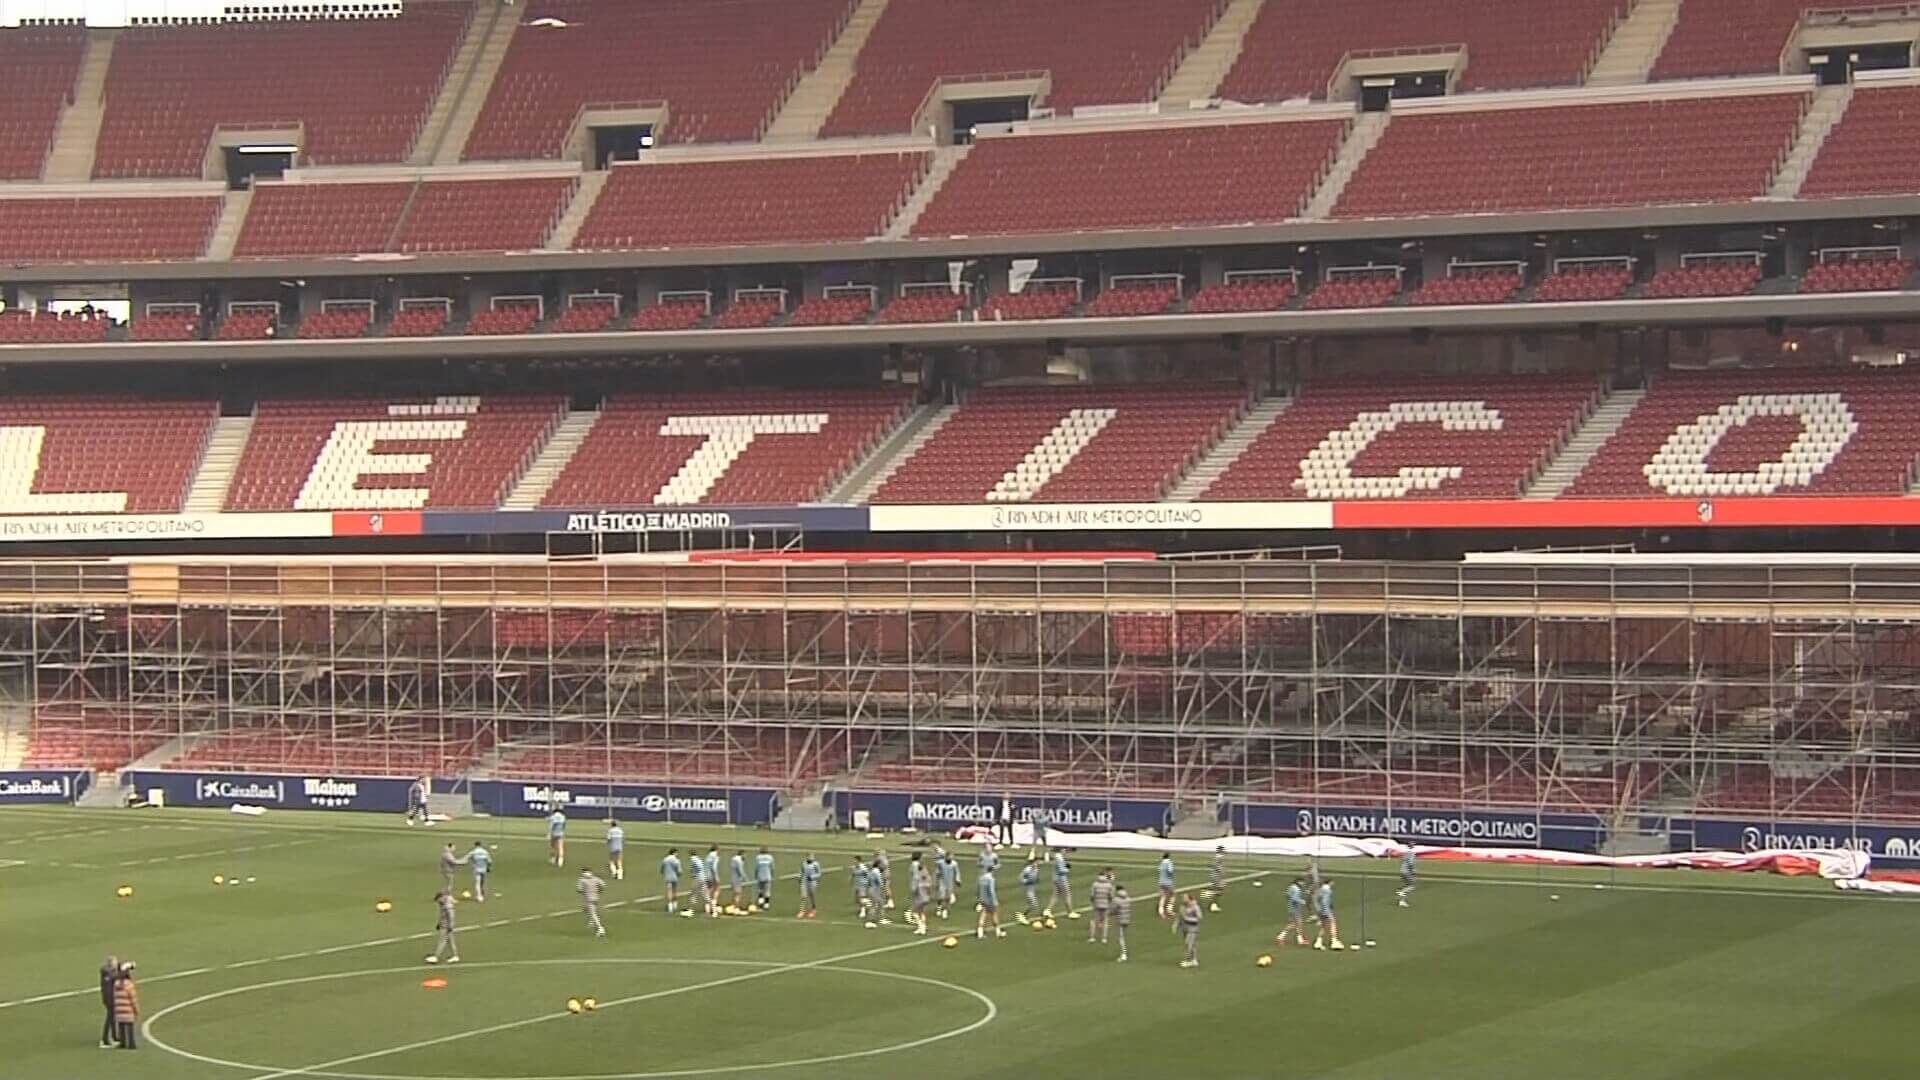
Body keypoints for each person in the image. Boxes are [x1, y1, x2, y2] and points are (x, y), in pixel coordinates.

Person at [976, 855, 1006, 940]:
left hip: (983, 899)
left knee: (983, 914)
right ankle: (998, 932)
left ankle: (980, 932)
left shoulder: (981, 878)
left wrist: (980, 900)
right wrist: (995, 901)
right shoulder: (991, 879)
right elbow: (991, 891)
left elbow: (979, 890)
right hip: (990, 900)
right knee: (994, 915)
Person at [426, 889, 459, 964]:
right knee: (450, 941)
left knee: (442, 941)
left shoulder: (447, 906)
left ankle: (436, 957)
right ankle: (455, 956)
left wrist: (450, 926)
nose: (438, 902)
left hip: (446, 926)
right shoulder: (444, 903)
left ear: (441, 897)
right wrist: (439, 923)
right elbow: (442, 915)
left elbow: (451, 916)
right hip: (444, 925)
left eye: (438, 900)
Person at [111, 962, 139, 1050]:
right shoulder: (129, 985)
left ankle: (122, 1043)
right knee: (130, 1027)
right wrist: (136, 1010)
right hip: (128, 1009)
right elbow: (133, 998)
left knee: (121, 1026)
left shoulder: (116, 984)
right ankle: (131, 1044)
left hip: (119, 1008)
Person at [1313, 878, 1344, 951]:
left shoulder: (1321, 890)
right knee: (1332, 923)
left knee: (1324, 927)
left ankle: (1318, 942)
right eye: (1332, 883)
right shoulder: (1327, 890)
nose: (1333, 884)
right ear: (1329, 883)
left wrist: (1319, 910)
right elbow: (1325, 901)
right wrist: (1327, 912)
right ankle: (1334, 941)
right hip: (1326, 911)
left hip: (1321, 911)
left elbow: (1317, 899)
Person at [577, 867, 607, 938]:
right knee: (585, 909)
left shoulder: (582, 880)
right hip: (596, 898)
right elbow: (603, 885)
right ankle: (592, 921)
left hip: (588, 899)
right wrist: (599, 891)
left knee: (593, 913)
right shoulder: (596, 879)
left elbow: (579, 889)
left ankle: (600, 928)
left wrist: (584, 891)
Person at [1088, 867, 1115, 944]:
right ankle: (1104, 938)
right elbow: (1111, 896)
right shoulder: (1109, 885)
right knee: (1105, 921)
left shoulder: (1095, 884)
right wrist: (1110, 903)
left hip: (1097, 904)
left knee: (1094, 921)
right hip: (1105, 904)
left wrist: (1093, 903)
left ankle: (1092, 937)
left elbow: (1092, 896)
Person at [1279, 876, 1308, 947]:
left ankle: (1300, 939)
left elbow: (1287, 894)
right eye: (1302, 882)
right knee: (1297, 924)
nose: (1303, 884)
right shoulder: (1297, 889)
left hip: (1291, 908)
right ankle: (1281, 937)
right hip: (1295, 909)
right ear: (1299, 882)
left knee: (1295, 924)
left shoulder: (1291, 887)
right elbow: (1295, 898)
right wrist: (1302, 901)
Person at [98, 955, 119, 1049]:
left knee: (113, 1017)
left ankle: (114, 1037)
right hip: (109, 998)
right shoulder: (107, 973)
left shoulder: (108, 971)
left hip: (111, 997)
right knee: (110, 1018)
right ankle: (105, 1039)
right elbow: (115, 976)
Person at [908, 853, 933, 935]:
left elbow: (915, 878)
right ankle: (923, 927)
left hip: (919, 890)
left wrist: (914, 888)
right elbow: (929, 880)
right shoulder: (924, 869)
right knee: (921, 910)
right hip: (925, 890)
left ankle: (921, 927)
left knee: (915, 911)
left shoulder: (914, 866)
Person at [1177, 892, 1203, 969]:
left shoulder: (1195, 907)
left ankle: (1188, 961)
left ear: (1189, 899)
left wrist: (1188, 919)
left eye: (1185, 898)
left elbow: (1199, 918)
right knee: (1192, 945)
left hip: (1192, 928)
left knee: (1188, 944)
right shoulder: (1182, 906)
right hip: (1185, 928)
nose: (1183, 899)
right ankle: (1194, 960)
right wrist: (1176, 925)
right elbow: (1180, 916)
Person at [1049, 846, 1075, 919]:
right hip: (1061, 879)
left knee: (1055, 895)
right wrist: (1067, 868)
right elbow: (1061, 870)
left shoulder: (1057, 857)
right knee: (1067, 895)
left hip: (1056, 878)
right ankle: (1070, 912)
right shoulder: (1059, 858)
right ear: (1061, 849)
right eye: (1064, 849)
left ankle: (1048, 911)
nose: (1065, 851)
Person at [688, 848, 713, 918]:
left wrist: (694, 873)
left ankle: (690, 911)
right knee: (705, 895)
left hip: (698, 878)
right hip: (703, 878)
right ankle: (713, 910)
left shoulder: (693, 859)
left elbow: (697, 868)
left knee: (694, 894)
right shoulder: (699, 859)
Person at [1017, 857, 1041, 925]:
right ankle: (1022, 915)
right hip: (1028, 888)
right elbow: (1020, 877)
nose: (1037, 864)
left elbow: (1036, 878)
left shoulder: (1036, 869)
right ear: (1033, 862)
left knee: (1032, 904)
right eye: (1036, 863)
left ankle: (1022, 915)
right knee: (1033, 904)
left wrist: (1037, 880)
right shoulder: (1027, 869)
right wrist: (1025, 881)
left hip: (1033, 888)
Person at [1113, 884, 1133, 962]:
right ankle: (1123, 953)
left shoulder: (1116, 900)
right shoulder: (1128, 898)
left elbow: (1113, 910)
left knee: (1121, 938)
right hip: (1127, 919)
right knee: (1123, 936)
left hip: (1120, 920)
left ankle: (1123, 954)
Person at [937, 850, 960, 919]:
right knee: (941, 897)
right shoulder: (941, 863)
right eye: (950, 857)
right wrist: (937, 875)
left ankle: (945, 911)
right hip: (942, 882)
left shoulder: (954, 864)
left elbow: (957, 872)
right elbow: (938, 870)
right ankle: (939, 907)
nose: (951, 858)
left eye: (952, 857)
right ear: (946, 857)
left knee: (948, 898)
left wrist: (957, 879)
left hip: (950, 883)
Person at [798, 853, 821, 919]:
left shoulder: (816, 864)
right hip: (804, 882)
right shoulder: (803, 864)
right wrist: (799, 878)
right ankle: (802, 911)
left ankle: (813, 910)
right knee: (803, 896)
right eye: (808, 857)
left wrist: (812, 877)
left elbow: (819, 874)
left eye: (811, 857)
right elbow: (801, 872)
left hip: (812, 883)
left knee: (812, 897)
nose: (810, 858)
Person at [661, 847, 683, 914]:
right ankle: (675, 905)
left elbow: (662, 869)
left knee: (669, 891)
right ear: (674, 853)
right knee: (675, 891)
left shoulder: (665, 859)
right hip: (674, 877)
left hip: (668, 877)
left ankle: (670, 907)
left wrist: (664, 873)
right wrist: (679, 874)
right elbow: (679, 871)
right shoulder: (676, 860)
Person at [1206, 844, 1227, 913]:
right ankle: (1213, 905)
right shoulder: (1219, 857)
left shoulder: (1217, 857)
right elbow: (1217, 866)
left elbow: (1214, 865)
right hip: (1217, 876)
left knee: (1219, 891)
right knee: (1219, 891)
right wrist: (1221, 872)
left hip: (1216, 876)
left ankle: (1213, 904)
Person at [1157, 853, 1177, 919]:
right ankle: (1169, 910)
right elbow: (1170, 871)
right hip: (1168, 883)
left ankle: (1161, 911)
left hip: (1161, 882)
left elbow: (1159, 870)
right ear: (1168, 857)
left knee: (1163, 897)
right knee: (1172, 896)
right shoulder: (1169, 863)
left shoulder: (1161, 863)